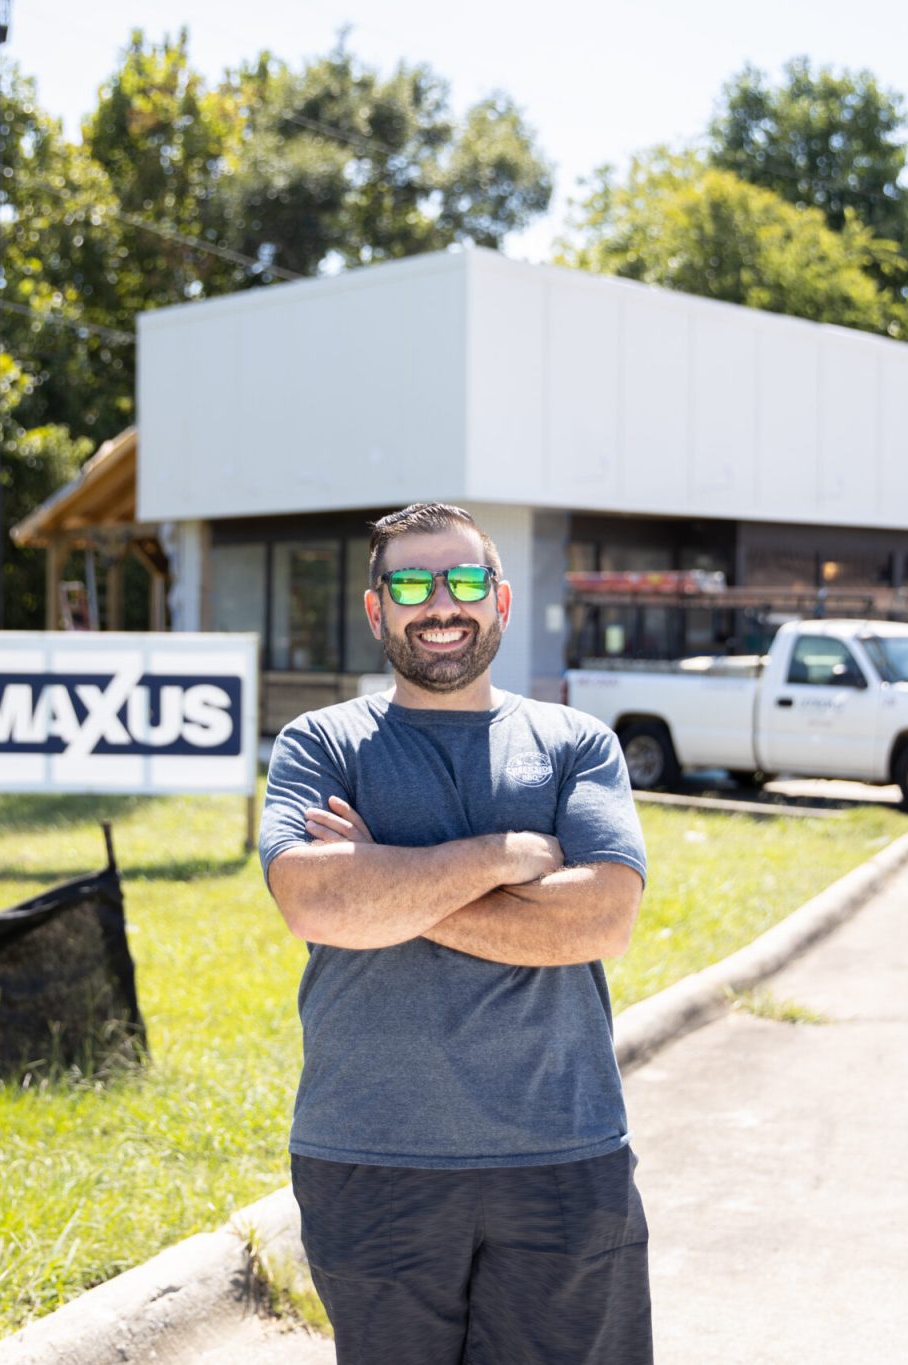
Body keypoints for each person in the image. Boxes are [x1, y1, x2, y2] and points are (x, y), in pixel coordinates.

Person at [259, 501, 653, 1364]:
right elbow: (316, 904)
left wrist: (385, 880)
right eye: (410, 584)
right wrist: (505, 855)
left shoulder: (575, 744)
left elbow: (603, 917)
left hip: (562, 1153)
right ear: (377, 611)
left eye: (466, 579)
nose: (442, 603)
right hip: (371, 1154)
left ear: (500, 600)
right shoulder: (321, 745)